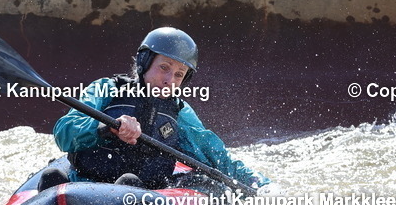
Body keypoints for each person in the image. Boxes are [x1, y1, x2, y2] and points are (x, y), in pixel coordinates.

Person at [43, 27, 270, 192]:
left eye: (179, 74)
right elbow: (65, 133)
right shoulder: (107, 89)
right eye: (164, 68)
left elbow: (216, 157)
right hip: (87, 186)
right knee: (52, 177)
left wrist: (259, 184)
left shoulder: (179, 112)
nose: (170, 80)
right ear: (144, 62)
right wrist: (105, 128)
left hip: (143, 194)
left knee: (130, 185)